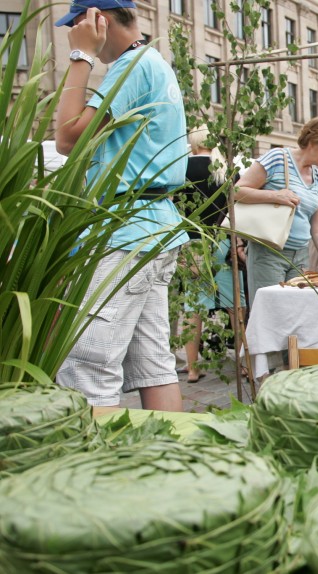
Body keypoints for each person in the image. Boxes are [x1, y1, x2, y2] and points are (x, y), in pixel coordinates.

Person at [54, 0, 189, 410]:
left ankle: (98, 455)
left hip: (125, 233)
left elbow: (67, 137)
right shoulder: (153, 63)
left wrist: (81, 55)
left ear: (99, 20)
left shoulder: (131, 66)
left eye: (76, 24)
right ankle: (170, 447)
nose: (72, 32)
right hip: (153, 227)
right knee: (153, 364)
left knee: (87, 367)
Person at [234, 117, 318, 307]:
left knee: (295, 314)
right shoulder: (278, 158)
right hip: (269, 253)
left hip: (301, 256)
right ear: (313, 140)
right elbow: (236, 191)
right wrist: (275, 195)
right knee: (269, 312)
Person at [178, 127, 246, 383]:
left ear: (193, 142)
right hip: (224, 243)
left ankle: (193, 368)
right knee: (235, 306)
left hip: (192, 243)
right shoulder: (227, 171)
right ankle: (244, 362)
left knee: (193, 309)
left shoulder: (180, 169)